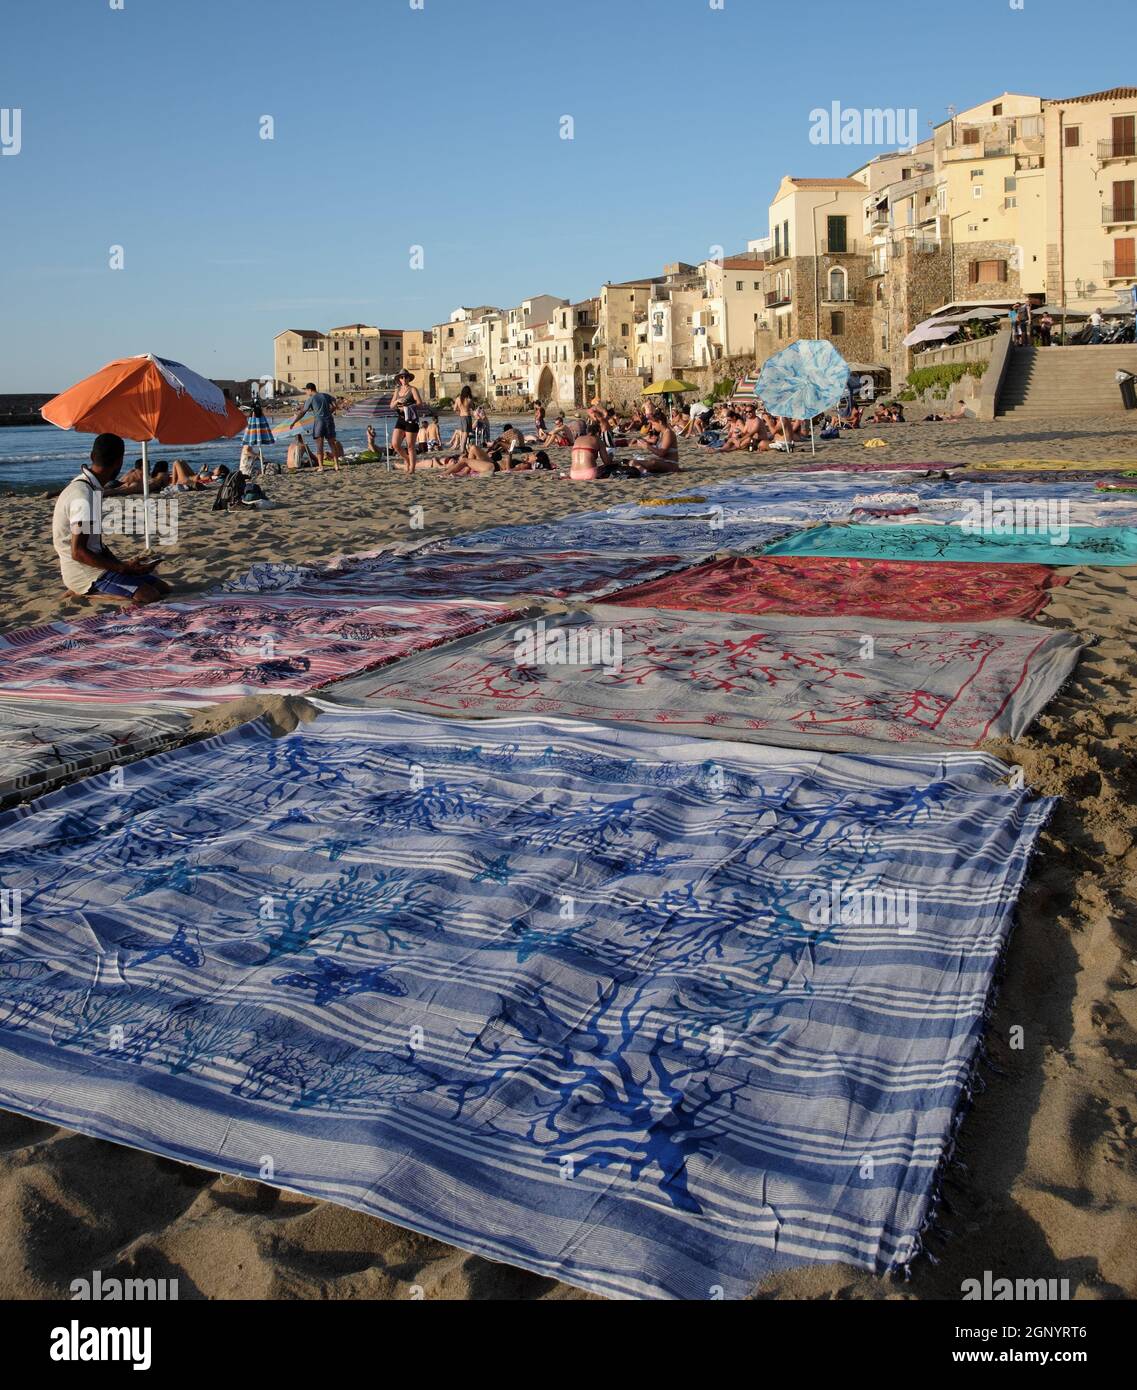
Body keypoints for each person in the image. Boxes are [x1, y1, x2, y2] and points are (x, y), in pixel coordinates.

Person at [52, 432, 171, 604]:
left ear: (92, 456)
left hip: (97, 563)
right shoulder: (84, 495)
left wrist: (125, 566)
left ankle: (104, 584)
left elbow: (95, 544)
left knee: (163, 588)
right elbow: (78, 552)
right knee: (150, 596)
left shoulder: (90, 487)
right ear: (119, 462)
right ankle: (82, 591)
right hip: (85, 571)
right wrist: (122, 567)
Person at [287, 382, 338, 469]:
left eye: (306, 390)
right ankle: (336, 465)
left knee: (319, 444)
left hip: (319, 422)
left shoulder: (311, 399)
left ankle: (321, 466)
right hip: (329, 421)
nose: (306, 392)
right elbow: (335, 405)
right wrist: (330, 412)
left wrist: (294, 422)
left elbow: (303, 412)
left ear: (310, 390)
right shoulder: (325, 395)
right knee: (332, 443)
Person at [390, 369, 424, 474]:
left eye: (406, 377)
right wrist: (397, 401)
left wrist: (408, 406)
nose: (404, 379)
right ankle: (407, 459)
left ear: (409, 378)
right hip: (400, 418)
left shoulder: (413, 389)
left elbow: (419, 403)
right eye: (402, 377)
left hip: (411, 419)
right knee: (395, 444)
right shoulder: (397, 391)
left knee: (410, 445)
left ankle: (412, 469)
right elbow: (391, 406)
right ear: (399, 379)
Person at [452, 385, 475, 455]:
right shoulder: (468, 400)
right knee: (465, 433)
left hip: (461, 417)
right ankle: (462, 447)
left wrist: (459, 412)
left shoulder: (458, 399)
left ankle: (463, 447)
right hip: (467, 417)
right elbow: (473, 407)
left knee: (462, 432)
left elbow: (454, 409)